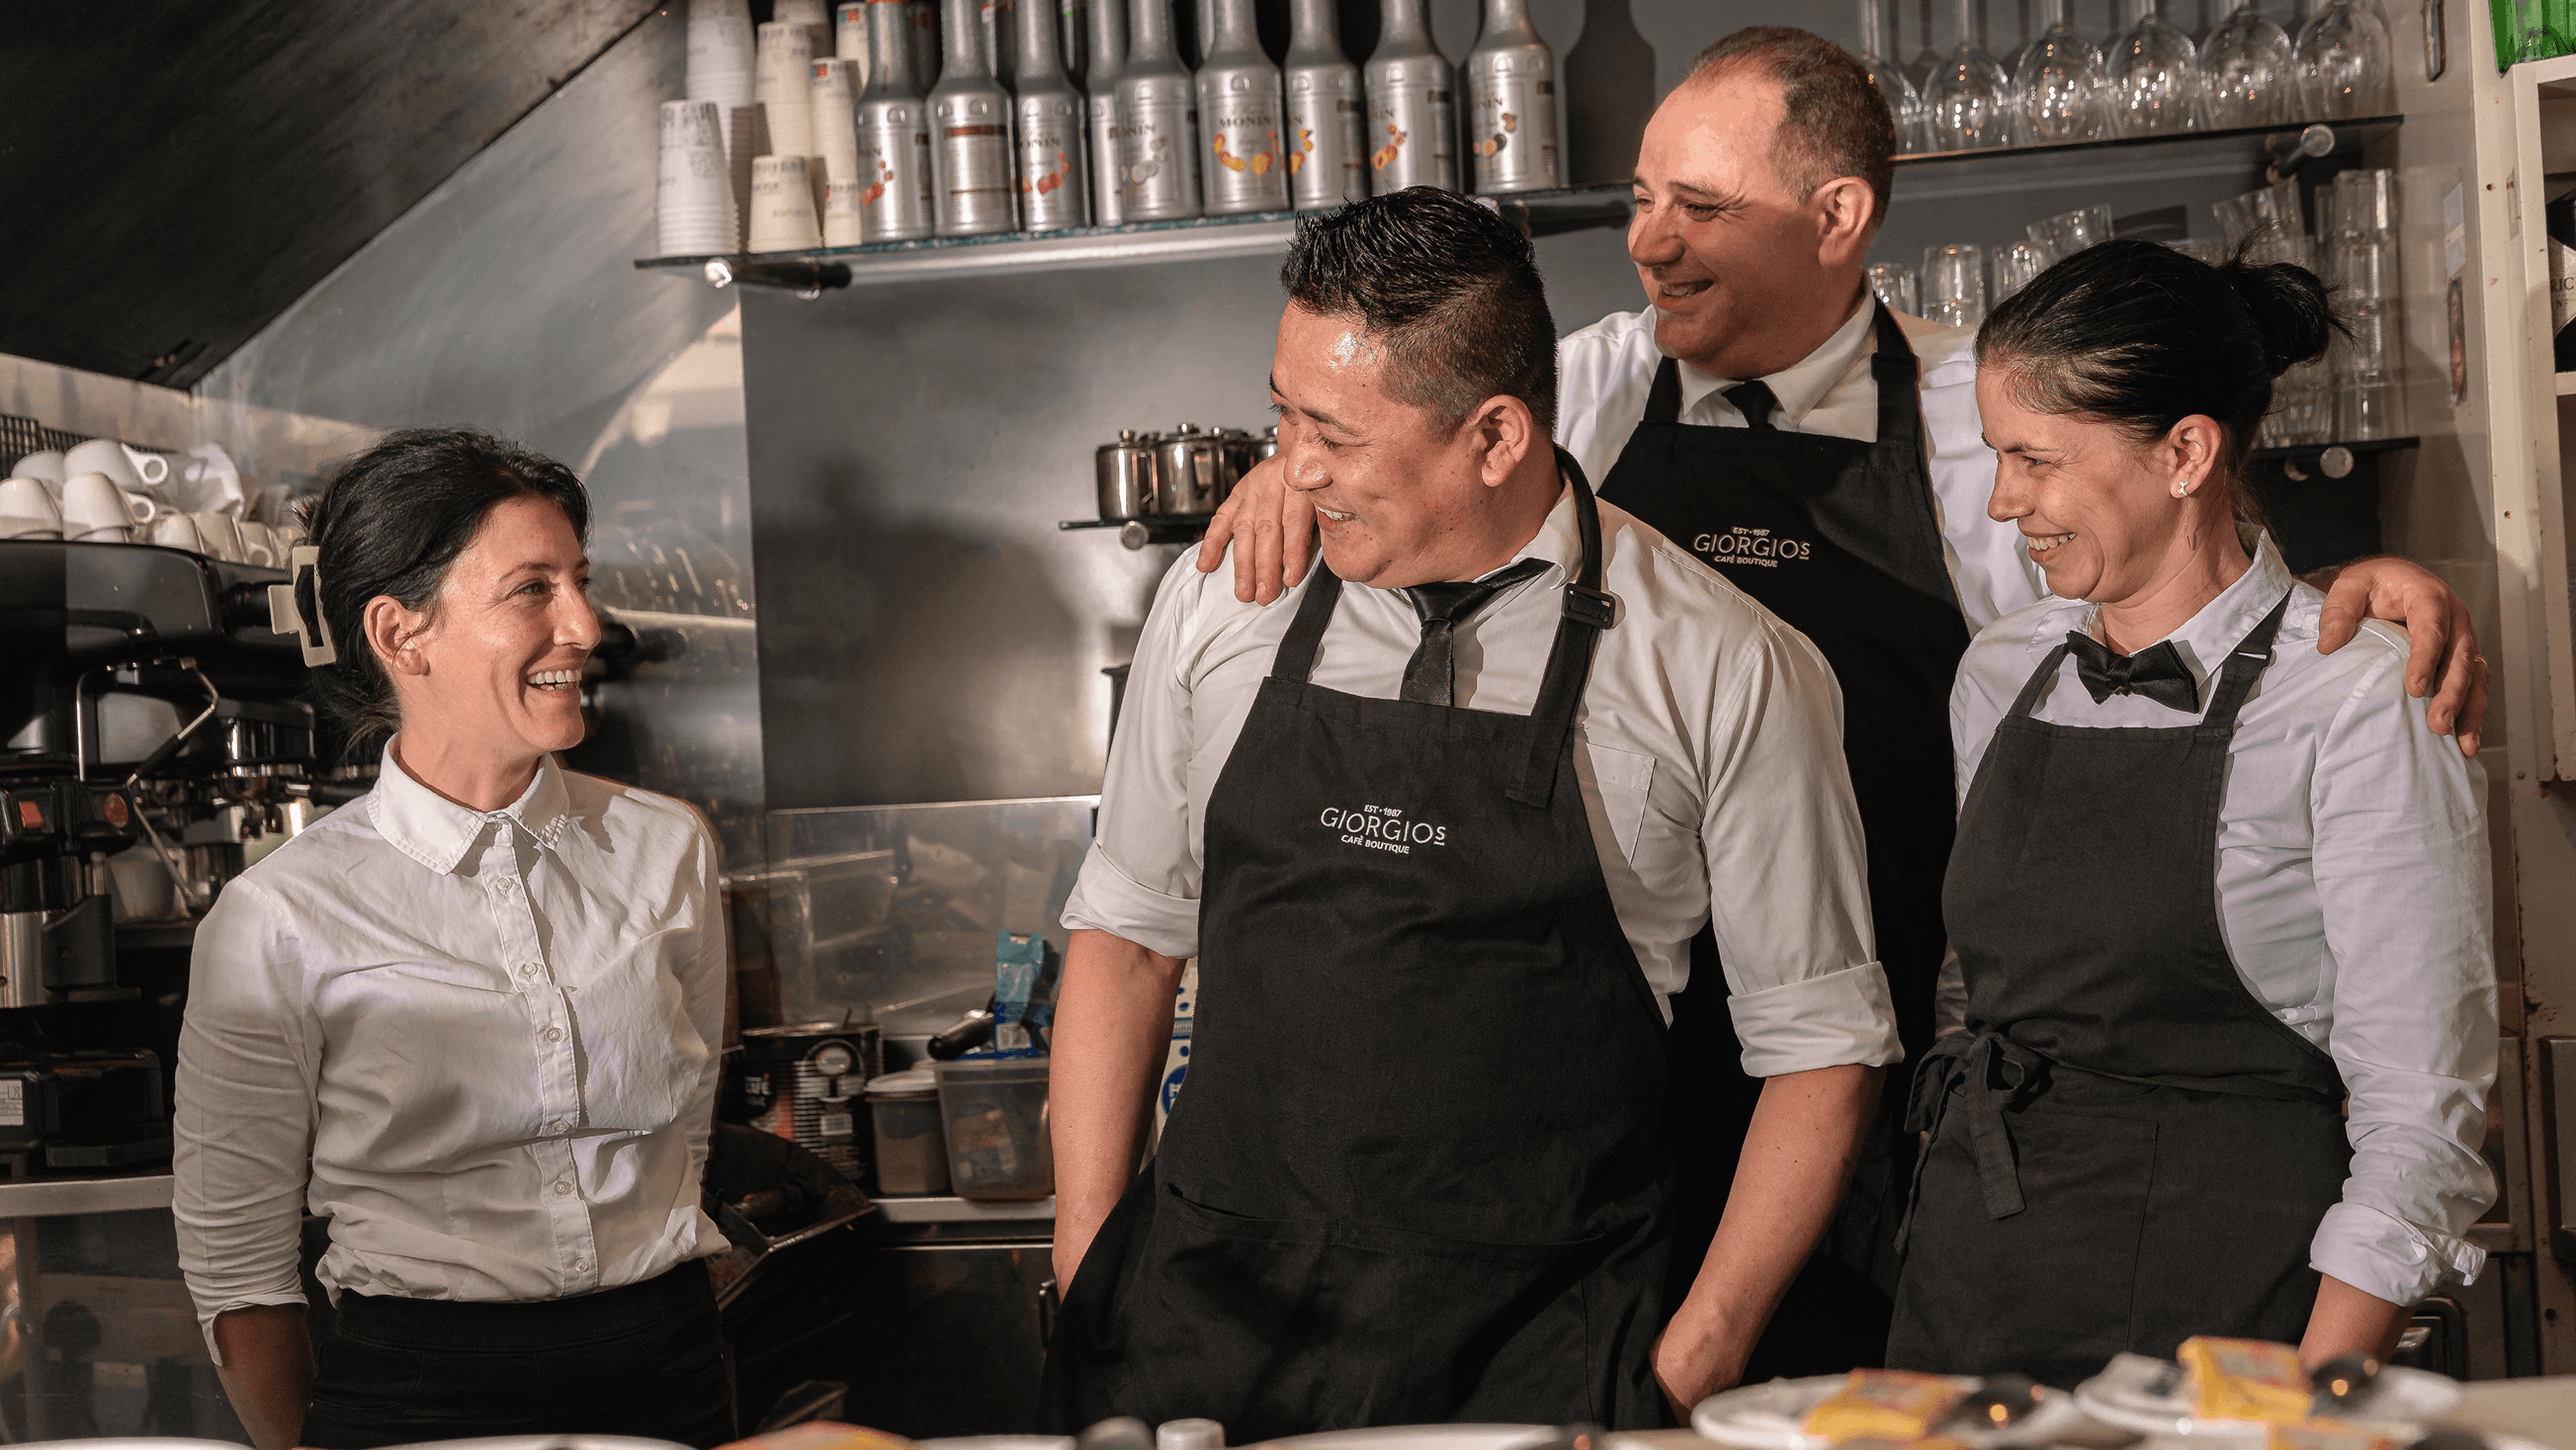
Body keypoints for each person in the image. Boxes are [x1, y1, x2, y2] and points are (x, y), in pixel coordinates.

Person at [1197, 28, 2487, 1376]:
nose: (1647, 240)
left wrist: (2341, 595)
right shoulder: (1576, 386)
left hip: (1855, 1076)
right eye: (1640, 197)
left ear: (1837, 218)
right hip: (1602, 1066)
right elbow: (1398, 439)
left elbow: (2154, 574)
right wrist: (1288, 469)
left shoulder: (1953, 407)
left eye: (1699, 207)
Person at [1043, 188, 1899, 1433]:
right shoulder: (1228, 597)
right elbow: (1125, 938)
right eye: (1281, 415)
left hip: (1539, 1358)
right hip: (1204, 1339)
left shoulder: (1724, 664)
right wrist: (1087, 1273)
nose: (1291, 467)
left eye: (1332, 431)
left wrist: (1678, 1376)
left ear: (1494, 436)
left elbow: (1821, 1050)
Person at [1885, 240, 2497, 1385]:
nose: (2002, 500)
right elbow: (1979, 996)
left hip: (2230, 1318)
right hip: (1974, 1289)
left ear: (2182, 453)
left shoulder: (2358, 698)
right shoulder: (1997, 670)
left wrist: (2310, 1397)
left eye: (2034, 460)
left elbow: (2420, 1111)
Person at [173, 429, 733, 1450]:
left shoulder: (668, 849)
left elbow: (679, 1136)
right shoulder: (280, 917)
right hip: (417, 1398)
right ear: (401, 633)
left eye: (581, 581)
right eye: (533, 589)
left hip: (670, 1368)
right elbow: (239, 1266)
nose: (584, 623)